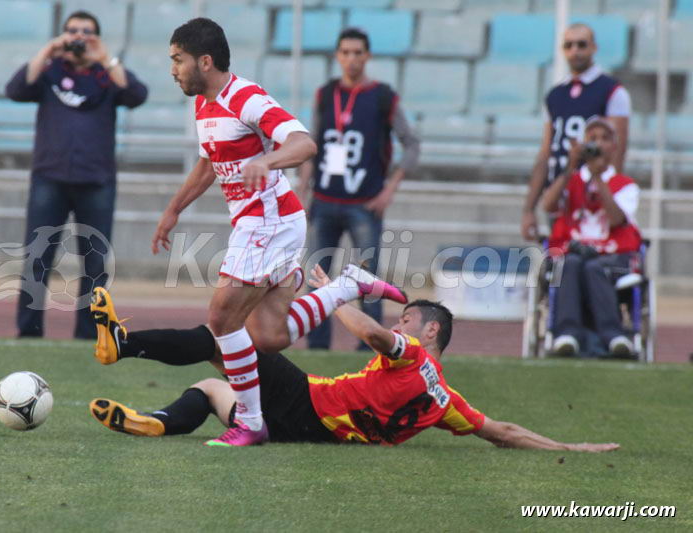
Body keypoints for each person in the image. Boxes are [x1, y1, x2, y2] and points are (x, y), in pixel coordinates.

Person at [129, 18, 405, 447]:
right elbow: (208, 164)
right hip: (263, 222)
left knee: (222, 318)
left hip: (269, 222)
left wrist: (268, 161)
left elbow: (304, 143)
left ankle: (252, 422)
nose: (172, 69)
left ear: (204, 61)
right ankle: (344, 287)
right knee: (270, 337)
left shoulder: (246, 97)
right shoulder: (203, 104)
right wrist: (173, 210)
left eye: (177, 60)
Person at [88, 267, 618, 453]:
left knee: (222, 336)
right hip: (303, 431)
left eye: (408, 318)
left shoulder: (413, 356)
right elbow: (501, 431)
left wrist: (340, 294)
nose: (400, 323)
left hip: (307, 404)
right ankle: (156, 423)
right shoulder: (445, 400)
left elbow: (370, 333)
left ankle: (123, 342)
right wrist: (571, 445)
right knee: (208, 389)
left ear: (430, 331)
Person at [5, 10, 148, 339]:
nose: (78, 37)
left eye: (86, 32)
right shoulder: (50, 72)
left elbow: (137, 95)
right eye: (72, 31)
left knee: (95, 264)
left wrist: (107, 59)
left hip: (96, 182)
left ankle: (88, 333)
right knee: (37, 259)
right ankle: (29, 331)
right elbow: (15, 89)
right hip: (49, 179)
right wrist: (49, 50)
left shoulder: (107, 76)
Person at [297, 28, 420, 350]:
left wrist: (389, 189)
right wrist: (302, 187)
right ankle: (318, 346)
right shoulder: (325, 94)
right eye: (345, 52)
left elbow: (411, 143)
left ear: (367, 56)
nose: (351, 59)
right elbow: (312, 143)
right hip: (324, 200)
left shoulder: (382, 96)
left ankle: (372, 344)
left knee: (368, 280)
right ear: (337, 56)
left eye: (358, 52)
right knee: (318, 276)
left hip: (365, 203)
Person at [522, 23, 631, 243]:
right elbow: (546, 153)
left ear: (594, 48)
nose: (575, 51)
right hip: (559, 193)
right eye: (569, 45)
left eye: (582, 44)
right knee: (559, 267)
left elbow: (616, 152)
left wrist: (609, 196)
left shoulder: (611, 90)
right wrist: (528, 208)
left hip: (591, 199)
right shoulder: (555, 95)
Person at [543, 117, 642, 358]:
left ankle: (613, 335)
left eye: (604, 138)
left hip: (612, 255)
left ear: (614, 147)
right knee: (572, 264)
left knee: (594, 268)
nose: (598, 144)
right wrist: (570, 167)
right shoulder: (572, 181)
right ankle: (566, 334)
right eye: (592, 138)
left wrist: (598, 178)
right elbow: (548, 205)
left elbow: (617, 219)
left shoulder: (624, 184)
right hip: (574, 252)